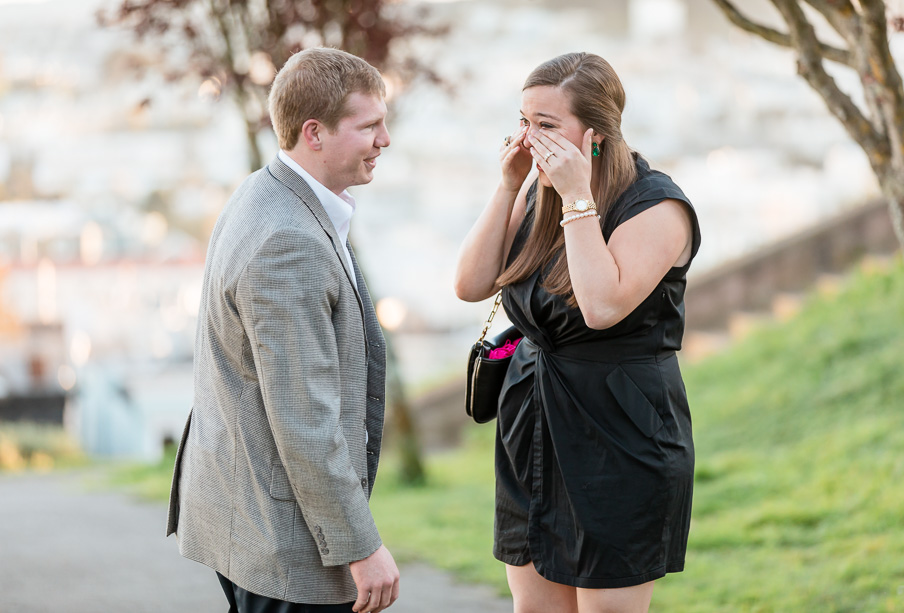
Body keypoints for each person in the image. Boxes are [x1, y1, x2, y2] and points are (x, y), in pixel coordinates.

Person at [455, 52, 701, 613]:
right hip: (532, 421)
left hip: (620, 432)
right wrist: (507, 185)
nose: (528, 138)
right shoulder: (532, 190)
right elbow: (470, 285)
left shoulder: (657, 206)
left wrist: (578, 198)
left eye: (545, 125)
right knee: (535, 606)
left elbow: (601, 308)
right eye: (522, 121)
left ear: (595, 135)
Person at [166, 47, 399, 613]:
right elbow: (305, 419)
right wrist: (360, 546)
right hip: (285, 545)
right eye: (369, 126)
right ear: (314, 134)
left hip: (245, 519)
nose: (385, 140)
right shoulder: (288, 242)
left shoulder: (262, 191)